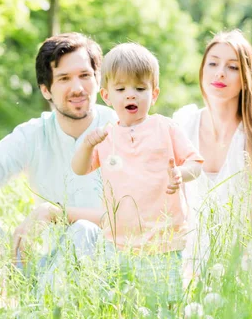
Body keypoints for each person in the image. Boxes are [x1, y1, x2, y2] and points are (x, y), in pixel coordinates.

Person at [0, 32, 117, 280]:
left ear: (98, 80)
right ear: (46, 90)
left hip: (107, 269)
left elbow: (140, 218)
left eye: (85, 76)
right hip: (40, 268)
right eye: (64, 78)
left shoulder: (122, 129)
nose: (78, 88)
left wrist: (56, 213)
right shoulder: (32, 134)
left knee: (83, 230)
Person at [71, 43, 203, 305]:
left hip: (161, 244)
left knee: (162, 307)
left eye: (140, 89)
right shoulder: (106, 135)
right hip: (116, 244)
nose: (130, 95)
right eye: (121, 89)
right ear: (107, 96)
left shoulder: (165, 127)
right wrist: (86, 144)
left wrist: (180, 173)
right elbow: (80, 168)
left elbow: (195, 162)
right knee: (118, 306)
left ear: (154, 94)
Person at [174, 30, 252, 293]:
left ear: (246, 78)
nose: (220, 73)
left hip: (247, 253)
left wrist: (238, 267)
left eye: (232, 67)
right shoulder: (183, 123)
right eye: (213, 63)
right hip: (191, 253)